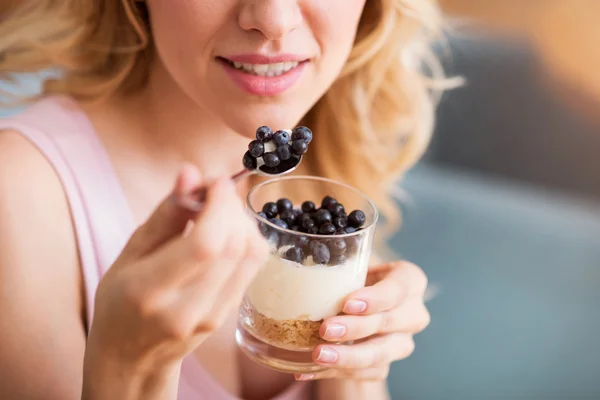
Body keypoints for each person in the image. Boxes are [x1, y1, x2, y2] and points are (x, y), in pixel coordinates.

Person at [0, 1, 442, 399]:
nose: (274, 20)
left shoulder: (325, 152)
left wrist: (356, 367)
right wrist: (126, 374)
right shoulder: (19, 194)